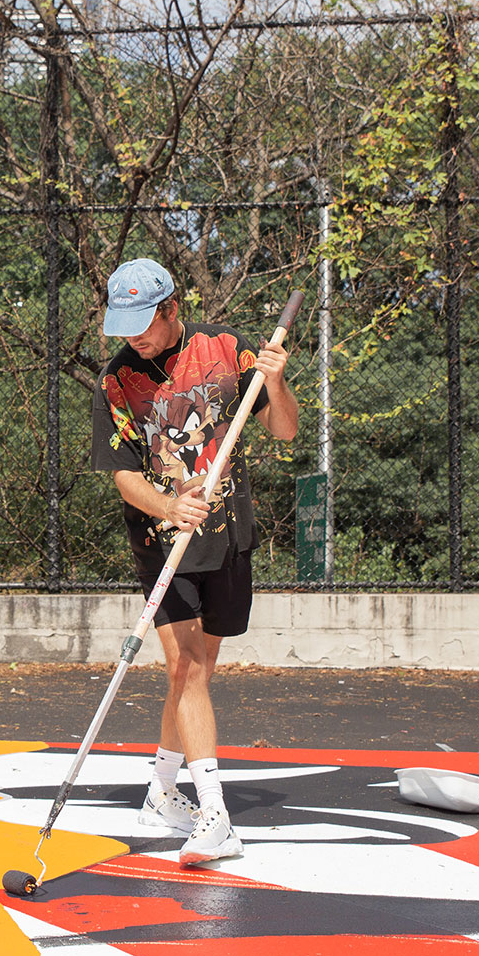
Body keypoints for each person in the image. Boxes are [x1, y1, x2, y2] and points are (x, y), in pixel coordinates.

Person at [89, 257, 299, 866]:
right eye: (122, 323)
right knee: (185, 670)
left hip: (228, 534)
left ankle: (160, 790)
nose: (132, 335)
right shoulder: (116, 381)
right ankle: (215, 815)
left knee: (197, 670)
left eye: (142, 323)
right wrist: (168, 507)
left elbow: (284, 431)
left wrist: (277, 381)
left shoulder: (226, 351)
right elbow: (125, 477)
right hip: (163, 540)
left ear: (171, 309)